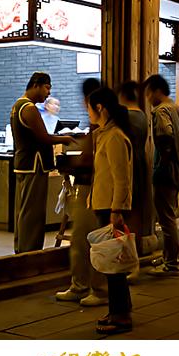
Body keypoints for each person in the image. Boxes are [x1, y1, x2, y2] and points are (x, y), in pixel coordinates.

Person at [55, 78, 108, 306]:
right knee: (86, 238)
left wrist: (73, 163)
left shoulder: (103, 128)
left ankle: (91, 287)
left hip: (93, 188)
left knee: (86, 238)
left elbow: (92, 158)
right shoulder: (103, 126)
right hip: (94, 187)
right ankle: (85, 285)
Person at [87, 87, 134, 334]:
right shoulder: (104, 135)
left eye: (89, 107)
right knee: (111, 263)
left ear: (100, 108)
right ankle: (118, 310)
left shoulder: (115, 136)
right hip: (103, 204)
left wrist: (117, 209)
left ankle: (121, 315)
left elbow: (121, 178)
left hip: (110, 207)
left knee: (114, 264)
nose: (88, 112)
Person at [10, 72, 73, 254]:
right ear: (36, 85)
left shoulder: (17, 105)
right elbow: (44, 137)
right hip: (34, 165)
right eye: (47, 87)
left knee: (24, 210)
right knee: (33, 212)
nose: (48, 93)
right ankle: (30, 252)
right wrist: (67, 138)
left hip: (23, 164)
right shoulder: (28, 108)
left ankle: (21, 249)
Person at [143, 74, 179, 276]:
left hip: (165, 172)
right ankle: (168, 257)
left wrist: (162, 163)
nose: (147, 98)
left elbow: (165, 136)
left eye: (148, 93)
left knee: (166, 219)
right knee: (169, 216)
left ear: (157, 91)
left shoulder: (161, 111)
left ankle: (171, 263)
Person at [117, 81, 155, 278]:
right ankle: (134, 260)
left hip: (129, 166)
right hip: (140, 165)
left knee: (128, 216)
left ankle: (130, 262)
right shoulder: (141, 115)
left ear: (122, 96)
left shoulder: (127, 117)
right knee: (136, 215)